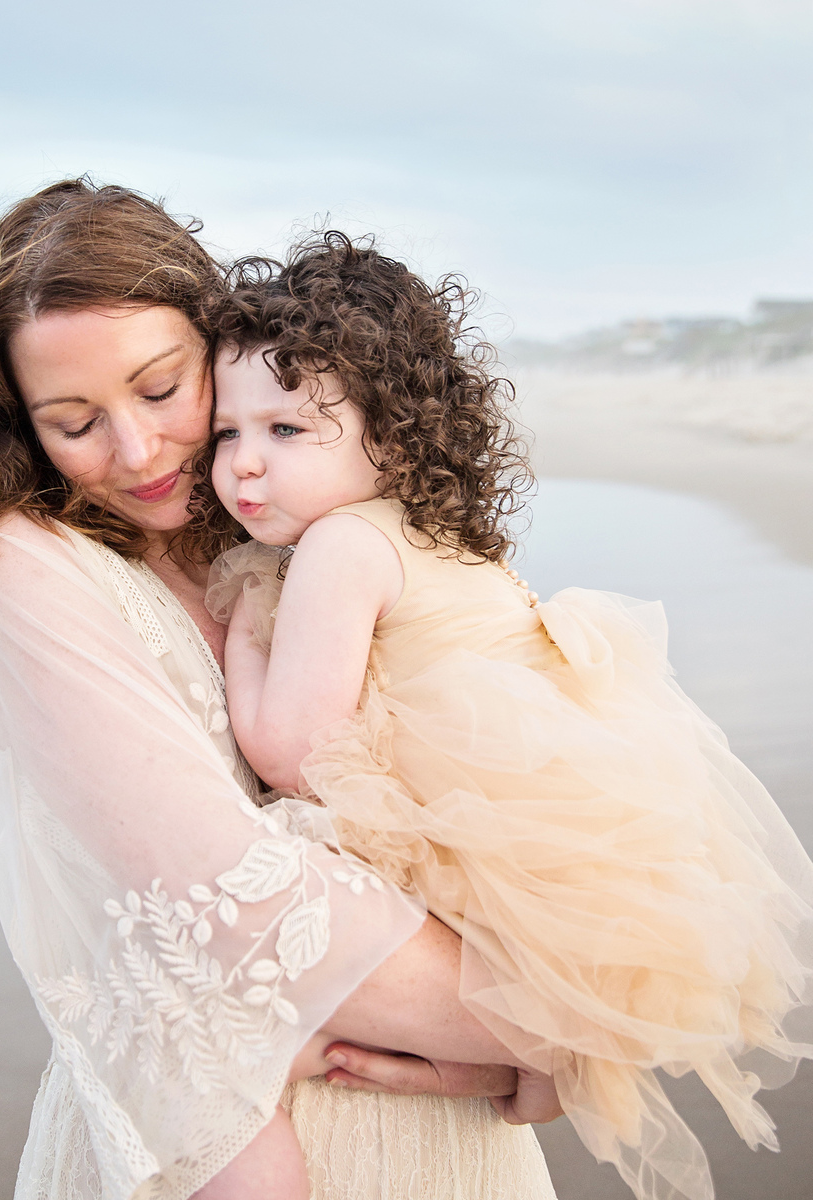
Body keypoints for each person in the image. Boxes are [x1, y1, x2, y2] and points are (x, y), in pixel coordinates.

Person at [0, 180, 561, 1200]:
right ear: (19, 429)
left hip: (438, 1095)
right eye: (72, 421)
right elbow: (221, 890)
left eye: (164, 391)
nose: (136, 452)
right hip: (257, 1122)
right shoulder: (24, 557)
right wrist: (556, 1027)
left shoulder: (281, 511)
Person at [196, 232, 813, 1200]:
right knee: (527, 1002)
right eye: (226, 433)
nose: (244, 467)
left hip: (483, 830)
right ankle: (505, 1068)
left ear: (391, 434)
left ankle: (477, 1063)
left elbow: (292, 752)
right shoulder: (442, 537)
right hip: (571, 843)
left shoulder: (342, 547)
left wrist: (239, 636)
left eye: (287, 431)